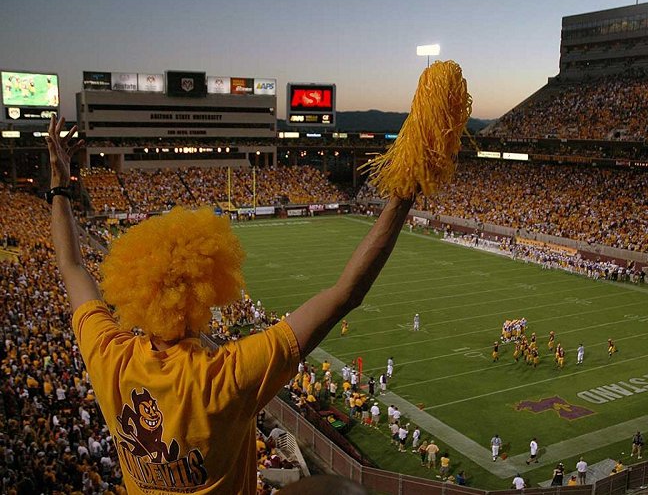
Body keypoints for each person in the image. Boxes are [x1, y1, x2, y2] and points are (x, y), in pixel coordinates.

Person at [46, 116, 415, 494]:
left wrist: (59, 187)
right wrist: (402, 196)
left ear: (132, 289)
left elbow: (72, 266)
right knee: (339, 491)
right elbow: (345, 294)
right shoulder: (225, 377)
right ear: (206, 291)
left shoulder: (110, 356)